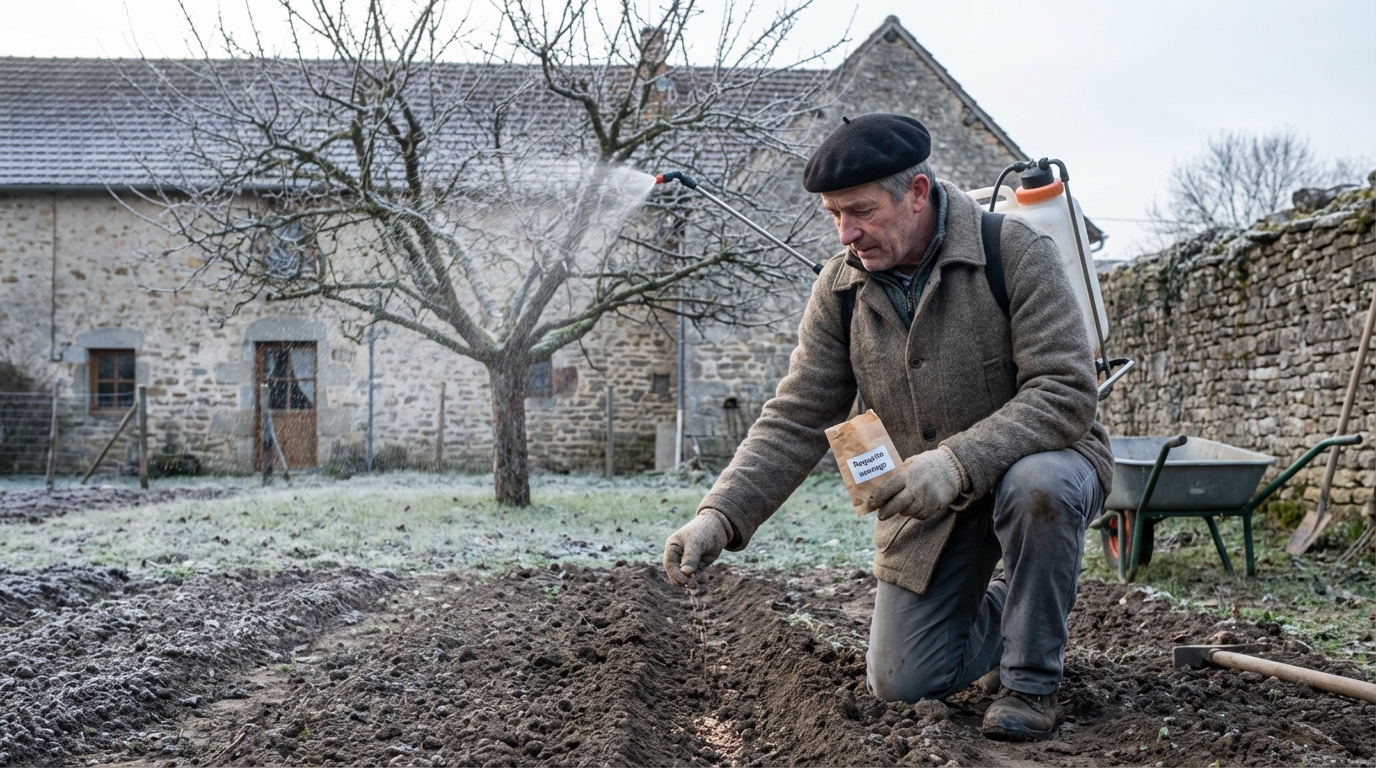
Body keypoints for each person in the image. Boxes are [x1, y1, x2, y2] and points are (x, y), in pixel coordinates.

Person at [661, 113, 1113, 742]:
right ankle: (1018, 607)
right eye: (834, 215)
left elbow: (1064, 391)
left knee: (1037, 486)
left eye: (861, 211)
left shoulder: (1014, 253)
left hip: (1042, 461)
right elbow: (797, 415)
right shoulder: (840, 291)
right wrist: (720, 514)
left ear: (917, 193)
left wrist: (956, 463)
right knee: (904, 681)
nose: (846, 232)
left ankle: (1029, 682)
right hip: (932, 501)